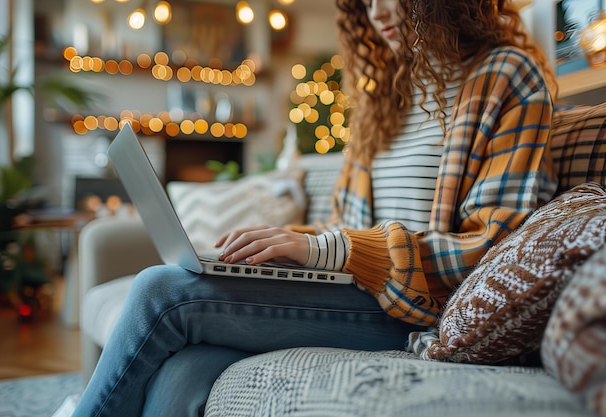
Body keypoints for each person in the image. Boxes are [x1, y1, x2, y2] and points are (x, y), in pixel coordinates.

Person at [70, 0, 558, 416]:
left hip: (415, 308)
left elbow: (494, 249)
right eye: (363, 0)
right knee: (182, 372)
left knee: (161, 291)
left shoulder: (506, 76)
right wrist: (287, 245)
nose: (378, 12)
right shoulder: (385, 97)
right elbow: (349, 227)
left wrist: (334, 248)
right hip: (356, 292)